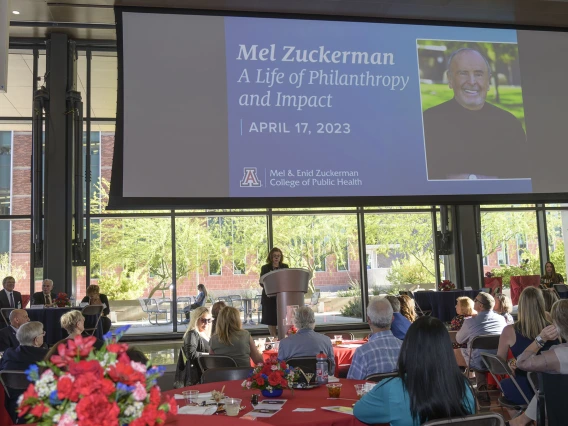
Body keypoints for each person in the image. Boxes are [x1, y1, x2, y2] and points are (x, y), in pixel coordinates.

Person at [423, 47, 527, 180]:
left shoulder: (510, 124)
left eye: (478, 74)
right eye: (463, 73)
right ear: (450, 79)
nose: (472, 82)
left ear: (488, 81)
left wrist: (468, 178)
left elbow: (521, 176)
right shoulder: (429, 121)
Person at [353, 316, 475, 426]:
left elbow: (359, 411)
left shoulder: (392, 388)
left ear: (408, 348)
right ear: (447, 350)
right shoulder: (464, 385)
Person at [508, 299, 568, 426]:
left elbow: (521, 363)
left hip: (560, 414)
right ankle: (522, 420)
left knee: (545, 389)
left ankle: (521, 421)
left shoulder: (556, 355)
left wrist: (540, 339)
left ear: (556, 325)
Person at [497, 287, 553, 406]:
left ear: (521, 305)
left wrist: (511, 363)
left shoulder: (509, 331)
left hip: (523, 386)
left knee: (506, 389)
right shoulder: (552, 328)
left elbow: (498, 363)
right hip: (552, 384)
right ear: (541, 304)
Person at [456, 292, 506, 398]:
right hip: (498, 360)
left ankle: (477, 388)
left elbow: (459, 339)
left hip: (478, 361)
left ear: (480, 305)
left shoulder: (470, 321)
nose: (473, 302)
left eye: (475, 300)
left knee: (461, 350)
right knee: (479, 352)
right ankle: (483, 386)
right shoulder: (501, 319)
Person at [0, 321, 48, 423]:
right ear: (36, 340)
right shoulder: (47, 356)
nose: (43, 335)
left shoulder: (8, 354)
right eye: (42, 333)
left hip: (14, 401)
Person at [347, 297, 402, 380]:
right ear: (392, 319)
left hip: (372, 392)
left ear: (369, 320)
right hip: (400, 393)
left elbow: (352, 386)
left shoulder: (362, 353)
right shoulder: (406, 348)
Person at [277, 306, 335, 375]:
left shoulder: (284, 343)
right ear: (313, 320)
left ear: (295, 321)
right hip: (321, 382)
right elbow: (331, 369)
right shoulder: (326, 340)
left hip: (294, 383)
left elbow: (280, 370)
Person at [177, 306, 211, 386]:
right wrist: (209, 355)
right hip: (197, 376)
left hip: (204, 372)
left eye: (208, 320)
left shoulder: (204, 333)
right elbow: (190, 354)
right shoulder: (192, 334)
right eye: (203, 320)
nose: (206, 323)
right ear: (196, 320)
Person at [260, 248, 288, 337]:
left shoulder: (285, 267)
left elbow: (288, 280)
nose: (276, 258)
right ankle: (274, 338)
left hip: (282, 296)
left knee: (282, 317)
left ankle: (283, 337)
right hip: (269, 297)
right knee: (270, 318)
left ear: (281, 257)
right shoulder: (265, 268)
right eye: (274, 256)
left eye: (278, 256)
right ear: (271, 257)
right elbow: (262, 282)